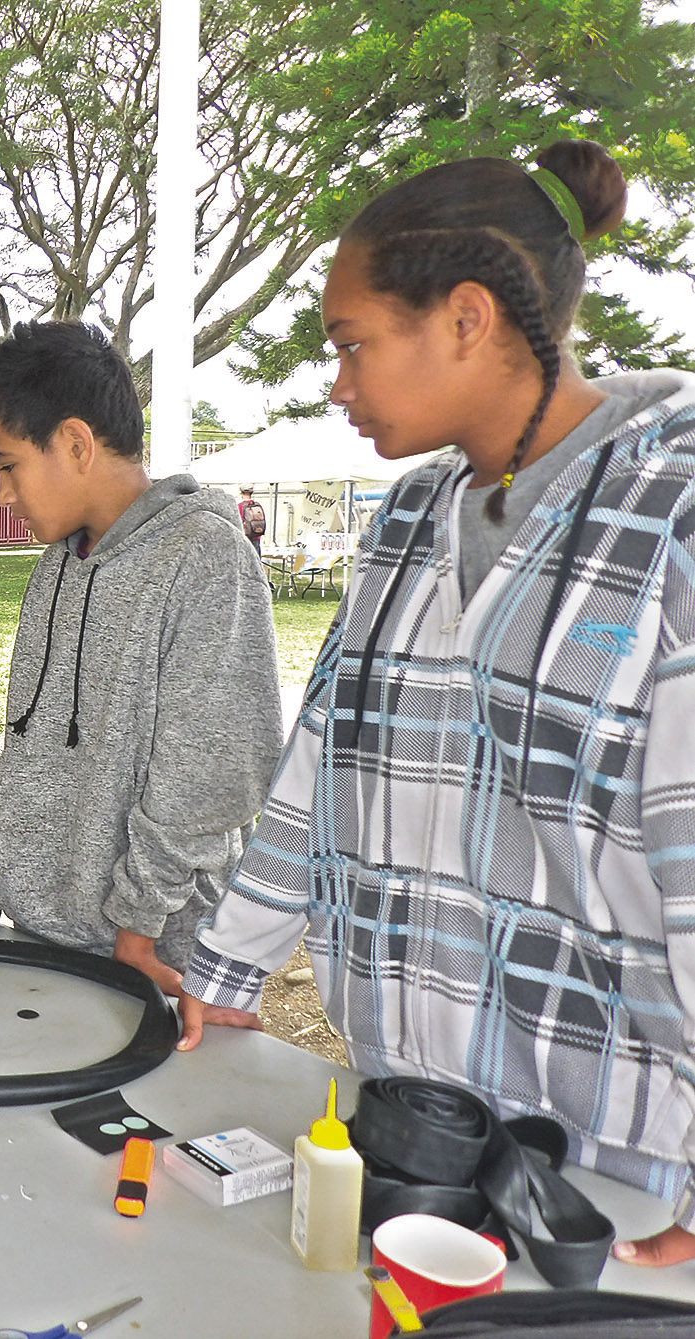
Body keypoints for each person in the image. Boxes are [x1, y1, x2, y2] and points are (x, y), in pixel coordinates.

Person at [176, 140, 695, 1268]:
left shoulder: (674, 515)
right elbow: (323, 760)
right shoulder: (409, 517)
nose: (340, 383)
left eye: (354, 345)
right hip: (409, 1113)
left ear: (467, 317)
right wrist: (225, 972)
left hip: (615, 1166)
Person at [0, 320, 282, 994]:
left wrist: (138, 922)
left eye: (7, 467)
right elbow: (27, 745)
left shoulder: (205, 555)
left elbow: (212, 770)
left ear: (74, 442)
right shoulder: (56, 564)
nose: (3, 495)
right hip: (42, 934)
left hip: (154, 953)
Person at [238, 485, 267, 553]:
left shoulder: (240, 506)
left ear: (241, 493)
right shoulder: (257, 505)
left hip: (245, 536)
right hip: (256, 534)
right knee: (256, 556)